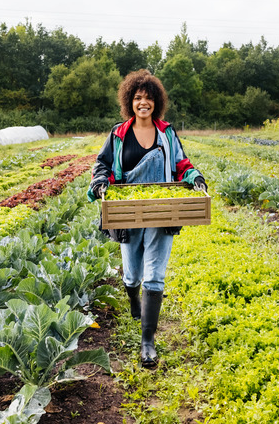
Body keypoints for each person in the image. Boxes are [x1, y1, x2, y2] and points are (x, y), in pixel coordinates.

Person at [87, 69, 206, 368]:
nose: (144, 103)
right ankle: (132, 298)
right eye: (138, 98)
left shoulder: (166, 132)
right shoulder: (118, 134)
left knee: (155, 275)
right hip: (127, 213)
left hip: (162, 211)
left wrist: (194, 177)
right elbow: (102, 165)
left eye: (149, 98)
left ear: (157, 102)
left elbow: (181, 163)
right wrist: (101, 183)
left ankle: (147, 343)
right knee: (132, 274)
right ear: (130, 101)